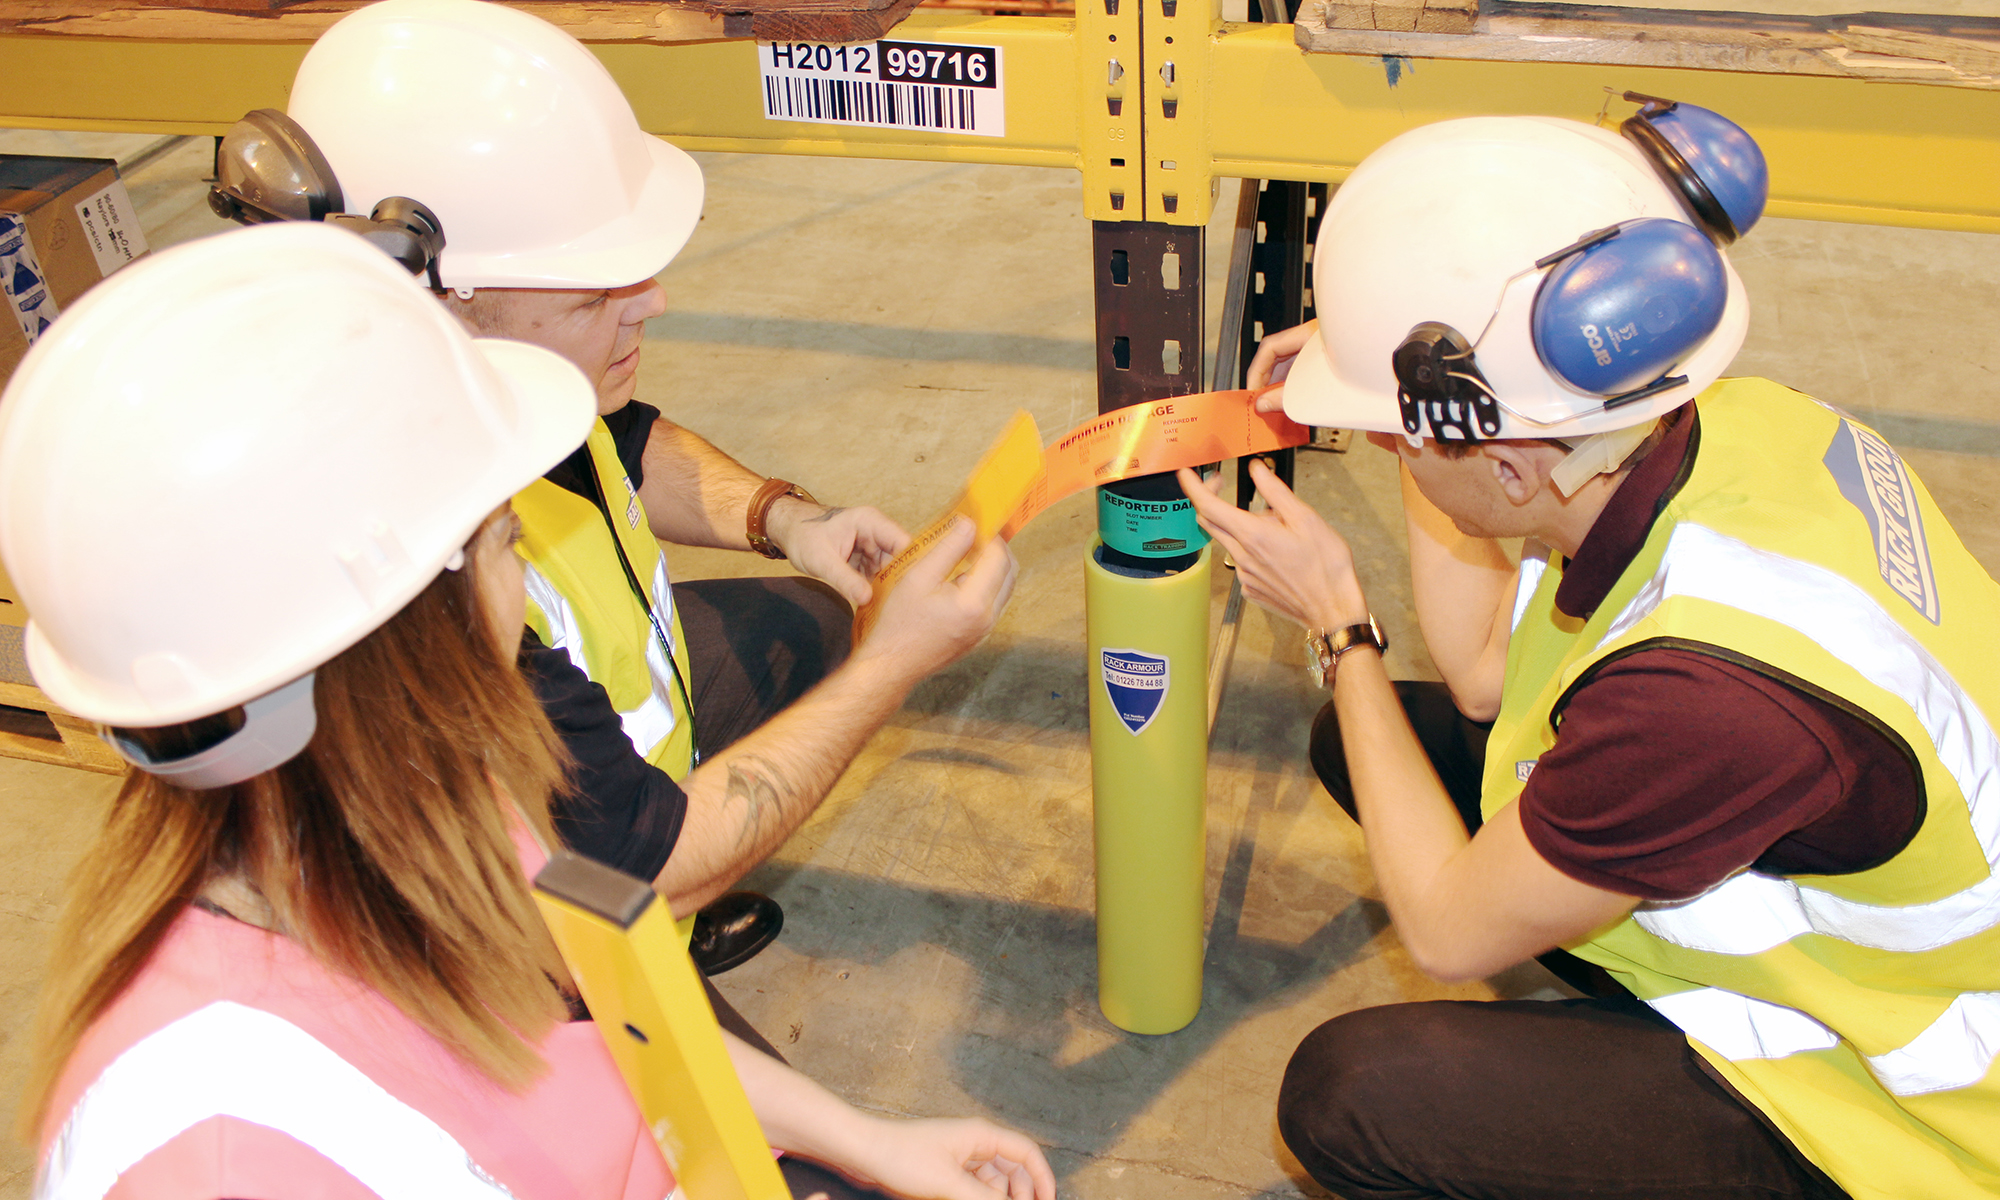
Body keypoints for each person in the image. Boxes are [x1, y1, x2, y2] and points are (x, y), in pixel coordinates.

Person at [6, 222, 1054, 1200]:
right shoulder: (221, 1151)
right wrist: (893, 664)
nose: (525, 575)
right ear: (411, 624)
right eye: (508, 539)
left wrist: (864, 1138)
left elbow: (621, 1036)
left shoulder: (415, 801)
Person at [1181, 104, 2000, 1199]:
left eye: (1399, 440)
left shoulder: (1707, 700)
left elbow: (1442, 933)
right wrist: (1394, 406)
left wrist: (1338, 625)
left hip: (1913, 1107)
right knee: (1385, 747)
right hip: (1781, 852)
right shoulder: (1744, 422)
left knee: (1349, 1092)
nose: (1388, 451)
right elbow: (1481, 676)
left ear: (1514, 465)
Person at [207, 0, 1013, 978]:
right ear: (436, 294)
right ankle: (619, 965)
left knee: (807, 615)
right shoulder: (422, 574)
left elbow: (623, 440)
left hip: (610, 786)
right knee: (762, 1139)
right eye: (595, 294)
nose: (652, 303)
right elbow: (647, 856)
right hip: (524, 946)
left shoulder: (472, 383)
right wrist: (891, 665)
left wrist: (789, 521)